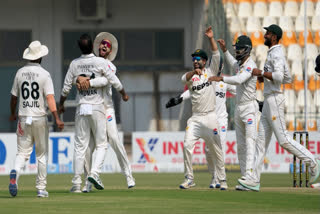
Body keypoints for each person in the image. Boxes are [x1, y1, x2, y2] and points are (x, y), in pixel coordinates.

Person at [239, 24, 320, 191]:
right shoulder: (273, 53)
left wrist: (261, 73)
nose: (265, 35)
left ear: (274, 37)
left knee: (283, 140)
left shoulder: (276, 53)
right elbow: (288, 77)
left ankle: (313, 162)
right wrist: (265, 77)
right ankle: (253, 180)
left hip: (275, 99)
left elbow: (277, 76)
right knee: (260, 143)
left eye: (267, 33)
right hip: (269, 100)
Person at [59, 34, 128, 193]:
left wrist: (61, 104)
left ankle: (76, 183)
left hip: (82, 107)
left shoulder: (74, 64)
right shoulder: (101, 62)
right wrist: (123, 93)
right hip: (97, 107)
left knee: (80, 147)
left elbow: (66, 87)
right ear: (92, 47)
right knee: (102, 144)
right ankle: (95, 174)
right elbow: (114, 80)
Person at [76, 32, 134, 192]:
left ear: (110, 51)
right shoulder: (91, 62)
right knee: (88, 147)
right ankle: (89, 181)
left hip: (106, 109)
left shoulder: (110, 66)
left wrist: (88, 82)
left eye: (107, 45)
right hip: (93, 109)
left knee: (114, 139)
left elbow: (107, 80)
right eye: (102, 44)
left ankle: (128, 174)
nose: (103, 46)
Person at [9, 41, 64, 198]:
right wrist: (57, 118)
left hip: (23, 116)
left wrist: (13, 113)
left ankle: (16, 173)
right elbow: (50, 98)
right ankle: (41, 189)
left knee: (22, 153)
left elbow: (13, 98)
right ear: (40, 57)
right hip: (39, 118)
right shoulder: (44, 74)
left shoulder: (19, 73)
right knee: (41, 155)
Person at [179, 26, 228, 190]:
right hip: (196, 118)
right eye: (194, 58)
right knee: (187, 146)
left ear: (204, 61)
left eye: (198, 58)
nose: (195, 60)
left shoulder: (210, 72)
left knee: (216, 150)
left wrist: (211, 39)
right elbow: (182, 79)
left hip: (210, 117)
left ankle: (222, 180)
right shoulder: (191, 77)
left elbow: (216, 54)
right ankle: (189, 178)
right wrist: (194, 72)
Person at [208, 35, 259, 191]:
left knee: (250, 142)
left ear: (247, 50)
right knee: (241, 146)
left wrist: (220, 78)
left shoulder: (250, 65)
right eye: (236, 48)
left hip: (249, 108)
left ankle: (250, 177)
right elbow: (232, 63)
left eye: (240, 48)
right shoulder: (239, 64)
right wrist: (225, 50)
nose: (237, 51)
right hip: (239, 108)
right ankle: (245, 178)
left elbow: (238, 80)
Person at [166, 76, 236, 189]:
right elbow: (192, 90)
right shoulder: (206, 80)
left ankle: (221, 178)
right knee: (208, 150)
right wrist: (180, 98)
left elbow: (239, 91)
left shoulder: (225, 81)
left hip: (221, 119)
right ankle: (214, 176)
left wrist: (255, 101)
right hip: (208, 118)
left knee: (219, 147)